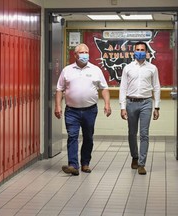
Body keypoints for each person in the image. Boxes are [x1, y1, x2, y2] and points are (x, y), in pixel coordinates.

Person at [55, 43, 111, 176]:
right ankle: (73, 165)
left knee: (88, 137)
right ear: (75, 55)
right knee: (72, 136)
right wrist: (57, 105)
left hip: (90, 110)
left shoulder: (95, 70)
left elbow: (104, 88)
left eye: (86, 52)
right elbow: (59, 89)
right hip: (71, 111)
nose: (85, 55)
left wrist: (107, 104)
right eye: (81, 52)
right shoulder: (67, 70)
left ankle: (85, 163)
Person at [119, 41, 161, 175]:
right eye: (137, 49)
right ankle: (135, 157)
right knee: (132, 133)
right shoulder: (128, 68)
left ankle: (142, 164)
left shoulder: (152, 68)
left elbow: (157, 87)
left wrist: (157, 107)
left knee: (144, 134)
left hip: (146, 103)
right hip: (131, 103)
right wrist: (122, 106)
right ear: (134, 51)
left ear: (147, 52)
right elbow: (123, 88)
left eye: (142, 49)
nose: (140, 51)